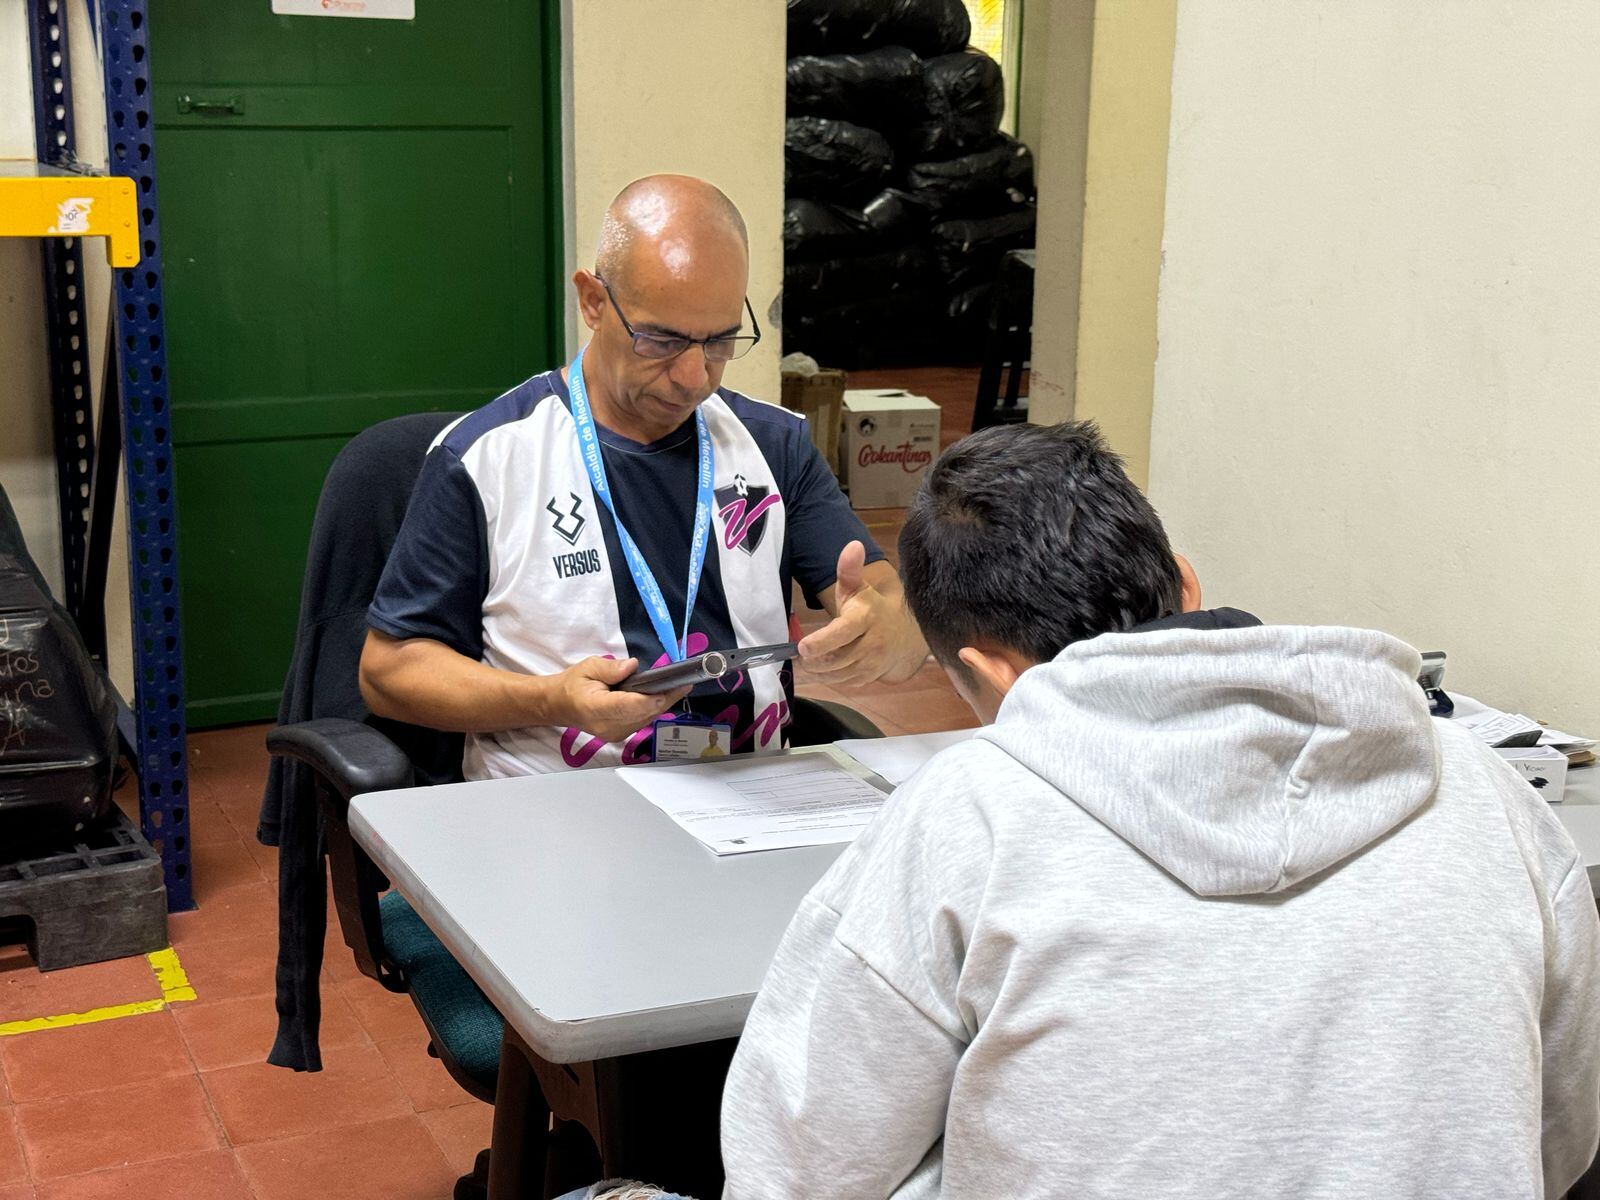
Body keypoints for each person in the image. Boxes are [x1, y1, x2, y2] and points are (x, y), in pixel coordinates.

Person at [720, 421, 1600, 1198]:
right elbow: (1558, 1138)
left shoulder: (969, 817)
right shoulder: (1483, 788)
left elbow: (792, 1169)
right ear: (1185, 582)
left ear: (994, 676)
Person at [358, 175, 927, 776]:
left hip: (748, 802)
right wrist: (549, 698)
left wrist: (890, 631)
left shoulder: (773, 446)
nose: (693, 378)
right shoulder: (487, 458)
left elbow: (892, 611)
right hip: (556, 812)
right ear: (593, 302)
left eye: (720, 341)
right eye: (661, 339)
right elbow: (388, 670)